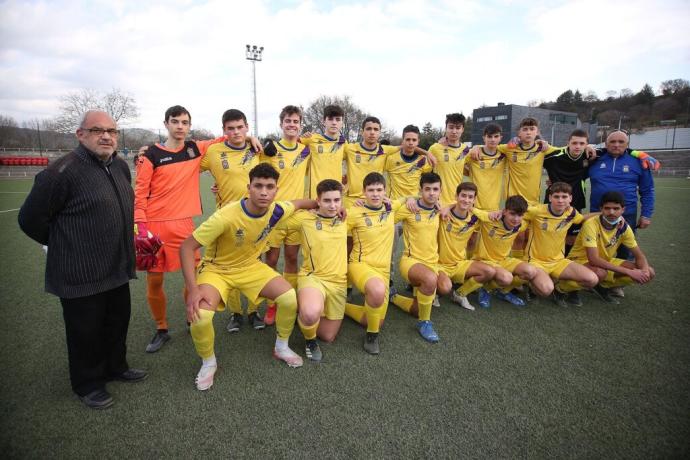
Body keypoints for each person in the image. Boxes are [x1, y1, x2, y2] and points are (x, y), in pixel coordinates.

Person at [18, 110, 146, 409]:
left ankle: (116, 366)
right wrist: (64, 245)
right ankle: (87, 384)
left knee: (116, 322)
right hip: (79, 271)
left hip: (116, 266)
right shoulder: (60, 172)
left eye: (112, 131)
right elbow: (29, 220)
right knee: (84, 331)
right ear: (81, 134)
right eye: (98, 130)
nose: (106, 136)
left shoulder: (119, 166)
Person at [180, 164, 320, 390]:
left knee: (288, 298)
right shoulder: (225, 216)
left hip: (250, 267)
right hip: (217, 270)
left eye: (269, 187)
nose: (264, 192)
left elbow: (301, 203)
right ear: (249, 188)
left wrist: (323, 204)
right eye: (258, 186)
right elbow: (187, 248)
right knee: (201, 316)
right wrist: (193, 289)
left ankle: (281, 347)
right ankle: (209, 362)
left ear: (276, 190)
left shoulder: (277, 209)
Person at [134, 105, 227, 354]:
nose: (180, 126)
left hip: (184, 224)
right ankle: (161, 328)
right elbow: (140, 194)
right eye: (175, 121)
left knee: (192, 276)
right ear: (166, 124)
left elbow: (225, 138)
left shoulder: (194, 149)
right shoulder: (150, 155)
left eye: (185, 122)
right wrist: (140, 227)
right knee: (155, 280)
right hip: (154, 225)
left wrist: (250, 137)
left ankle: (190, 318)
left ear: (189, 125)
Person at [201, 109, 264, 333]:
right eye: (231, 128)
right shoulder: (214, 151)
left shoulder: (257, 149)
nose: (236, 132)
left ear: (247, 127)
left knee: (256, 263)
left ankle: (254, 311)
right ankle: (236, 313)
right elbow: (190, 167)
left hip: (256, 218)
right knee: (229, 265)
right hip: (226, 219)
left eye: (240, 127)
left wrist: (251, 139)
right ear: (224, 131)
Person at [280, 180, 348, 362]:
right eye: (327, 200)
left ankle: (301, 312)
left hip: (339, 283)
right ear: (318, 200)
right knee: (310, 314)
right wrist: (305, 203)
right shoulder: (304, 219)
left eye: (336, 200)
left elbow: (378, 208)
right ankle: (310, 341)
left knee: (327, 336)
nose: (333, 206)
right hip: (313, 278)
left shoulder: (349, 217)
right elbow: (278, 212)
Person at [261, 105, 311, 323]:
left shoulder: (306, 150)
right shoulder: (270, 149)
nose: (292, 125)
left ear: (300, 126)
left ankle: (288, 300)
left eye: (296, 122)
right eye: (288, 121)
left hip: (297, 214)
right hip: (274, 215)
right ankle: (271, 304)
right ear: (281, 124)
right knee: (271, 260)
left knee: (292, 258)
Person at [344, 172, 402, 354]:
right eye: (371, 190)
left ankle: (340, 305)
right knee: (377, 292)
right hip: (360, 265)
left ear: (385, 191)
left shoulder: (392, 208)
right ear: (364, 192)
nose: (375, 194)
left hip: (382, 271)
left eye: (379, 190)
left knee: (375, 318)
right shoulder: (354, 212)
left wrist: (443, 206)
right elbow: (334, 227)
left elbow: (413, 198)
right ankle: (372, 336)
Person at [566, 191, 655, 304]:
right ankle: (566, 289)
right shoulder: (591, 224)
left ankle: (601, 286)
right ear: (601, 209)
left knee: (650, 272)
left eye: (616, 208)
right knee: (600, 273)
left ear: (623, 210)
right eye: (607, 208)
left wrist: (645, 271)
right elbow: (593, 259)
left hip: (604, 262)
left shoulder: (624, 227)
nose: (611, 212)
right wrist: (629, 272)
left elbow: (639, 255)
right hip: (579, 261)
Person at [523, 182, 600, 307]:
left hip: (558, 261)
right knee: (546, 290)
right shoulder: (537, 211)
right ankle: (532, 287)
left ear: (570, 198)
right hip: (536, 261)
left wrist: (602, 214)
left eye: (564, 197)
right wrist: (499, 213)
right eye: (556, 196)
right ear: (550, 198)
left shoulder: (571, 213)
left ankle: (560, 289)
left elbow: (582, 218)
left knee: (592, 280)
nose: (560, 200)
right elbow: (515, 212)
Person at [390, 172, 443, 343]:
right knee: (430, 280)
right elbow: (386, 219)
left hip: (432, 262)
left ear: (440, 191)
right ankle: (424, 323)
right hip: (411, 261)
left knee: (445, 288)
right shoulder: (410, 208)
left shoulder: (440, 209)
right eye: (427, 189)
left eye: (435, 189)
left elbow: (461, 207)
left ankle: (393, 297)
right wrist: (407, 198)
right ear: (420, 190)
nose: (432, 193)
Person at [473, 195, 554, 308]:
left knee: (530, 271)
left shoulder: (522, 224)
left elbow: (538, 211)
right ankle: (486, 289)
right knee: (506, 278)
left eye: (520, 215)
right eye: (512, 214)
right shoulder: (490, 219)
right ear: (505, 211)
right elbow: (470, 208)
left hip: (504, 260)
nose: (516, 219)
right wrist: (496, 212)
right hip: (485, 261)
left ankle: (503, 291)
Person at [589, 130, 655, 265]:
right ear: (606, 144)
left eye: (621, 142)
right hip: (597, 211)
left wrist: (646, 215)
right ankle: (598, 276)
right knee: (596, 245)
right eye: (612, 142)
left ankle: (618, 281)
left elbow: (647, 190)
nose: (616, 145)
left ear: (627, 144)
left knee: (625, 247)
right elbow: (574, 173)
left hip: (627, 213)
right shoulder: (594, 159)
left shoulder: (639, 162)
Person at [436, 182, 497, 311]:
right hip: (439, 264)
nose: (466, 200)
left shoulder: (475, 218)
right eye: (463, 196)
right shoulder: (443, 214)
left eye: (470, 197)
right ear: (456, 196)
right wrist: (448, 206)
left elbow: (495, 216)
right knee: (444, 288)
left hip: (459, 263)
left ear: (474, 200)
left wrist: (502, 212)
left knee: (489, 271)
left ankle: (460, 294)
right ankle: (433, 292)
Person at [428, 113, 471, 206]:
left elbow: (469, 170)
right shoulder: (435, 148)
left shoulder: (466, 150)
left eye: (458, 128)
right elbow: (424, 172)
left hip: (457, 202)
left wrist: (477, 148)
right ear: (446, 128)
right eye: (451, 127)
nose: (454, 131)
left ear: (462, 129)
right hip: (437, 202)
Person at [465, 123, 506, 211]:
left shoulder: (504, 155)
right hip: (474, 206)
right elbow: (456, 165)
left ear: (500, 138)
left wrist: (540, 142)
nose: (493, 139)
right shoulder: (473, 153)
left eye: (496, 136)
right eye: (489, 136)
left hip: (493, 207)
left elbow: (520, 147)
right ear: (484, 138)